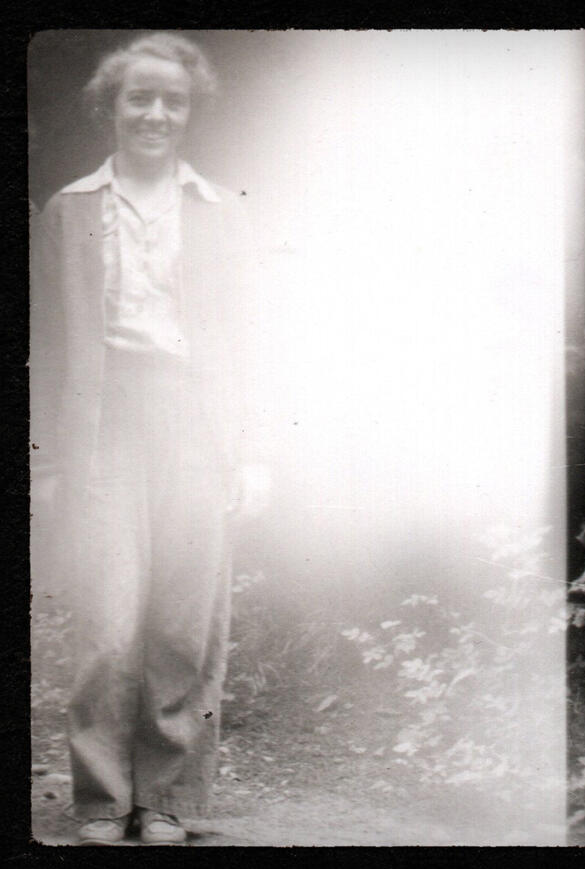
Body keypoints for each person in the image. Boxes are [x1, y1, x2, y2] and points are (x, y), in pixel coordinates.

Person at [30, 32, 272, 846]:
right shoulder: (69, 210)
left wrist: (253, 452)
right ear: (112, 105)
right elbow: (46, 344)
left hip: (197, 423)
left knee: (183, 622)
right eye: (140, 97)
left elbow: (250, 338)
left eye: (173, 100)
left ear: (189, 111)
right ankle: (103, 800)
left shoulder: (222, 211)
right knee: (107, 623)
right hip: (100, 427)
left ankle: (168, 798)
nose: (156, 114)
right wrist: (47, 461)